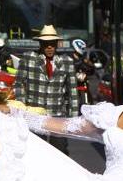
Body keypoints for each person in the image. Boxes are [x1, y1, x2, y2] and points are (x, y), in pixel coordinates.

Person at [13, 25, 80, 155]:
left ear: (57, 44)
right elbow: (18, 84)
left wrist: (73, 120)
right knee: (36, 154)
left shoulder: (67, 62)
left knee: (60, 154)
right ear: (40, 44)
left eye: (52, 44)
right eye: (46, 44)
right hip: (34, 115)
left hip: (57, 116)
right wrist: (22, 107)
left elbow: (72, 93)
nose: (49, 47)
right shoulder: (28, 58)